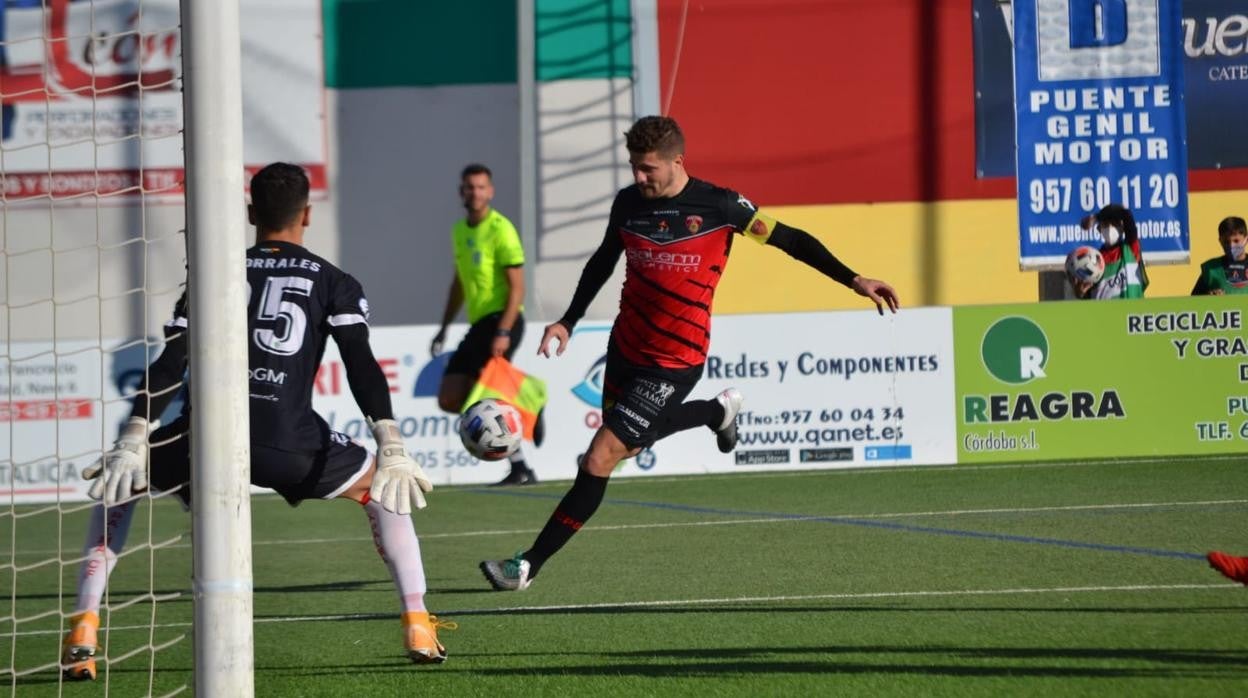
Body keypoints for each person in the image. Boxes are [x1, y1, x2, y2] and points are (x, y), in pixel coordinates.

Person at [479, 116, 899, 591]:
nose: (639, 178)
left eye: (648, 169)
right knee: (630, 446)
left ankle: (528, 565)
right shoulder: (628, 204)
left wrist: (854, 279)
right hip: (625, 348)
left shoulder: (722, 205)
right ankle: (715, 411)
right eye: (634, 168)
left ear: (679, 161)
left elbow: (792, 241)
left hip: (675, 359)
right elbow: (603, 259)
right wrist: (568, 320)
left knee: (599, 458)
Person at [62, 163, 447, 680]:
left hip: (206, 442)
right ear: (307, 215)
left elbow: (171, 362)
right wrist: (391, 440)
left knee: (120, 484)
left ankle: (85, 622)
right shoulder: (334, 280)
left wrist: (135, 436)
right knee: (385, 484)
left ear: (250, 214)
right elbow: (360, 360)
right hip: (290, 443)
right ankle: (418, 621)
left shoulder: (213, 273)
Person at [430, 164, 539, 485]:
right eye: (469, 187)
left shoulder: (501, 229)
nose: (475, 192)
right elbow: (459, 283)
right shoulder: (459, 231)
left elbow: (518, 287)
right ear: (461, 192)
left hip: (503, 320)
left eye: (481, 187)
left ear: (490, 191)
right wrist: (444, 325)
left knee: (484, 393)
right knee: (450, 397)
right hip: (479, 325)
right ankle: (529, 403)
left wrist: (504, 331)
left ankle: (519, 465)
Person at [1080, 203, 1148, 300]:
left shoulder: (1131, 248)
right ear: (1099, 229)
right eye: (1106, 225)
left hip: (1132, 311)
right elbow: (1090, 294)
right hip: (1106, 314)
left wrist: (1096, 217)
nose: (1110, 228)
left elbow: (1125, 214)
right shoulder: (1094, 260)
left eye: (1115, 224)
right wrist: (1081, 294)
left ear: (1122, 228)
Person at [1191, 216, 1248, 295]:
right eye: (1227, 242)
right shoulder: (1211, 270)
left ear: (1246, 240)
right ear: (1220, 241)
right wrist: (1208, 295)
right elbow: (1193, 302)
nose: (1231, 245)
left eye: (1236, 240)